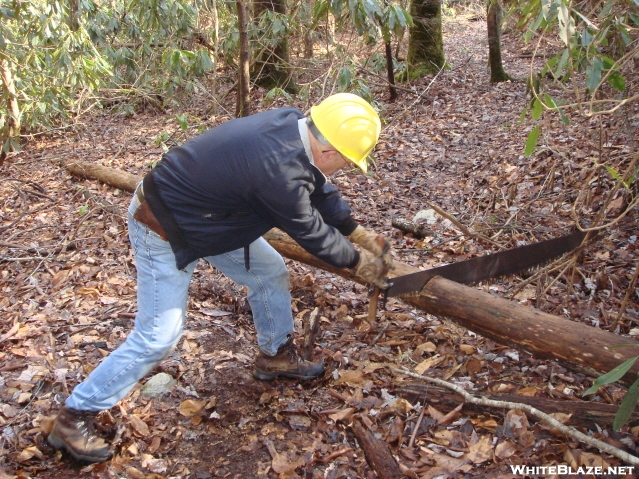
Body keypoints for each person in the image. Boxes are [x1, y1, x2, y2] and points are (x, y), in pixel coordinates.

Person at [47, 93, 393, 463]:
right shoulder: (276, 171)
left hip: (213, 219)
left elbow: (319, 188)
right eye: (347, 161)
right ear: (331, 152)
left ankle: (275, 355)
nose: (345, 168)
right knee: (158, 337)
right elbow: (310, 231)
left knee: (268, 271)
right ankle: (74, 416)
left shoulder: (293, 125)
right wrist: (359, 262)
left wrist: (355, 231)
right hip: (164, 226)